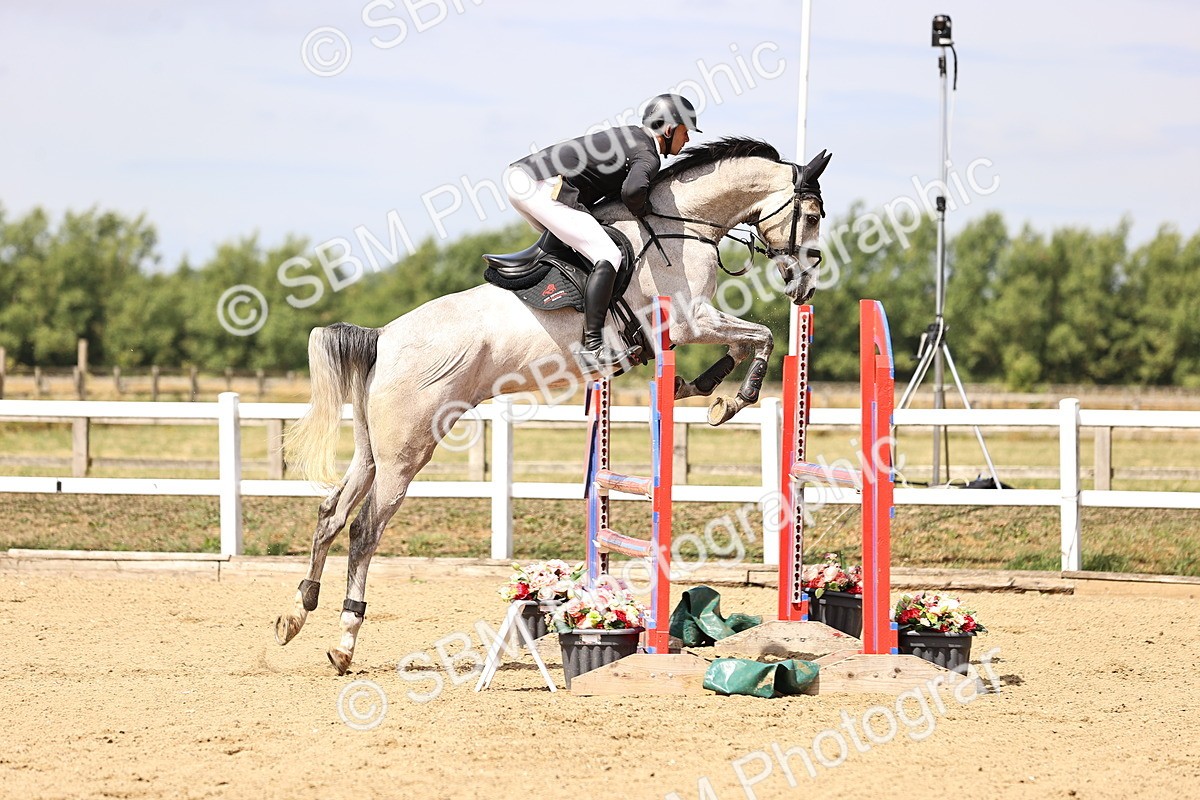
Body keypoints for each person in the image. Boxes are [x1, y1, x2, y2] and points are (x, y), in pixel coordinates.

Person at [505, 93, 701, 371]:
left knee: (577, 242)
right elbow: (633, 193)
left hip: (523, 178)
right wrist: (645, 210)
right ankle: (593, 346)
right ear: (669, 129)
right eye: (685, 131)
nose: (688, 140)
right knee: (608, 253)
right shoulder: (647, 153)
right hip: (539, 184)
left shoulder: (631, 137)